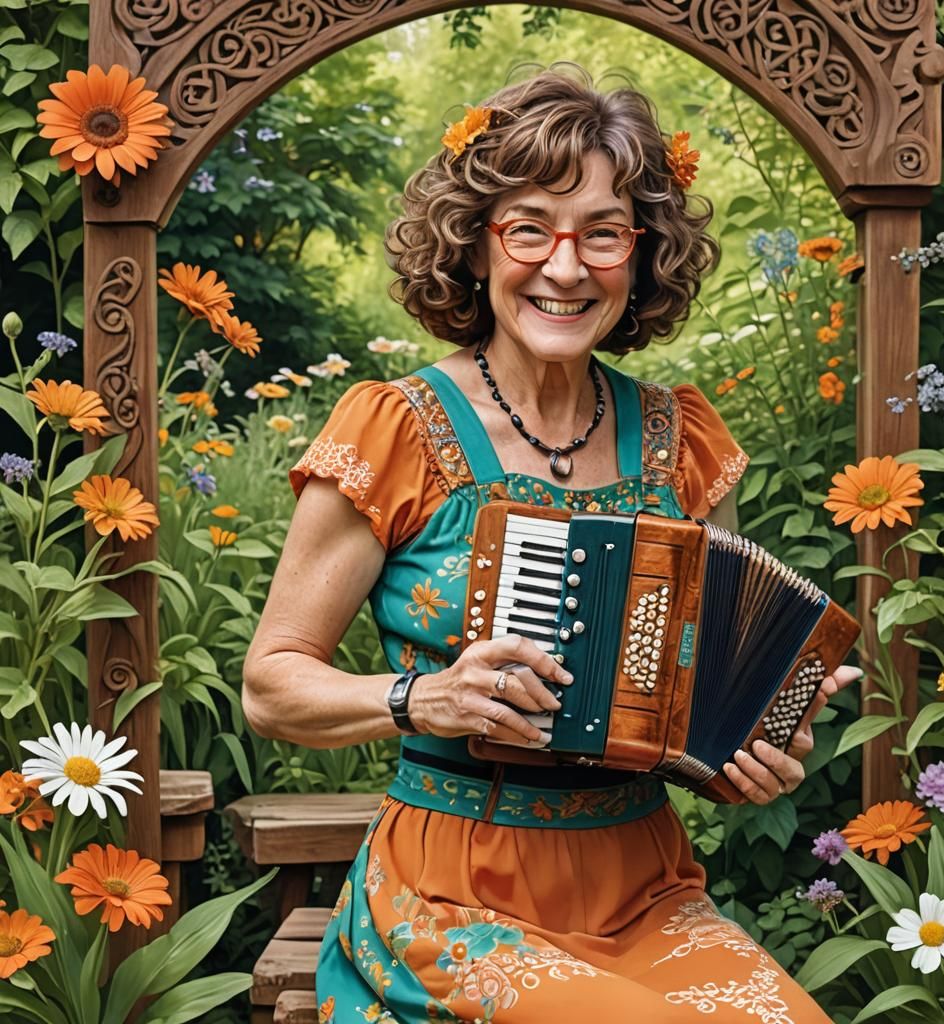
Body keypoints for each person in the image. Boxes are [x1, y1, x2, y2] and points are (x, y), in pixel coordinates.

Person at [243, 66, 857, 1023]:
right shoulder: (395, 427)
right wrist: (428, 697)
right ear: (474, 244)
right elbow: (271, 683)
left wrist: (754, 751)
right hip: (450, 886)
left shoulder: (683, 441)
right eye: (530, 227)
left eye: (603, 232)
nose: (566, 268)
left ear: (641, 254)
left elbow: (702, 709)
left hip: (643, 882)